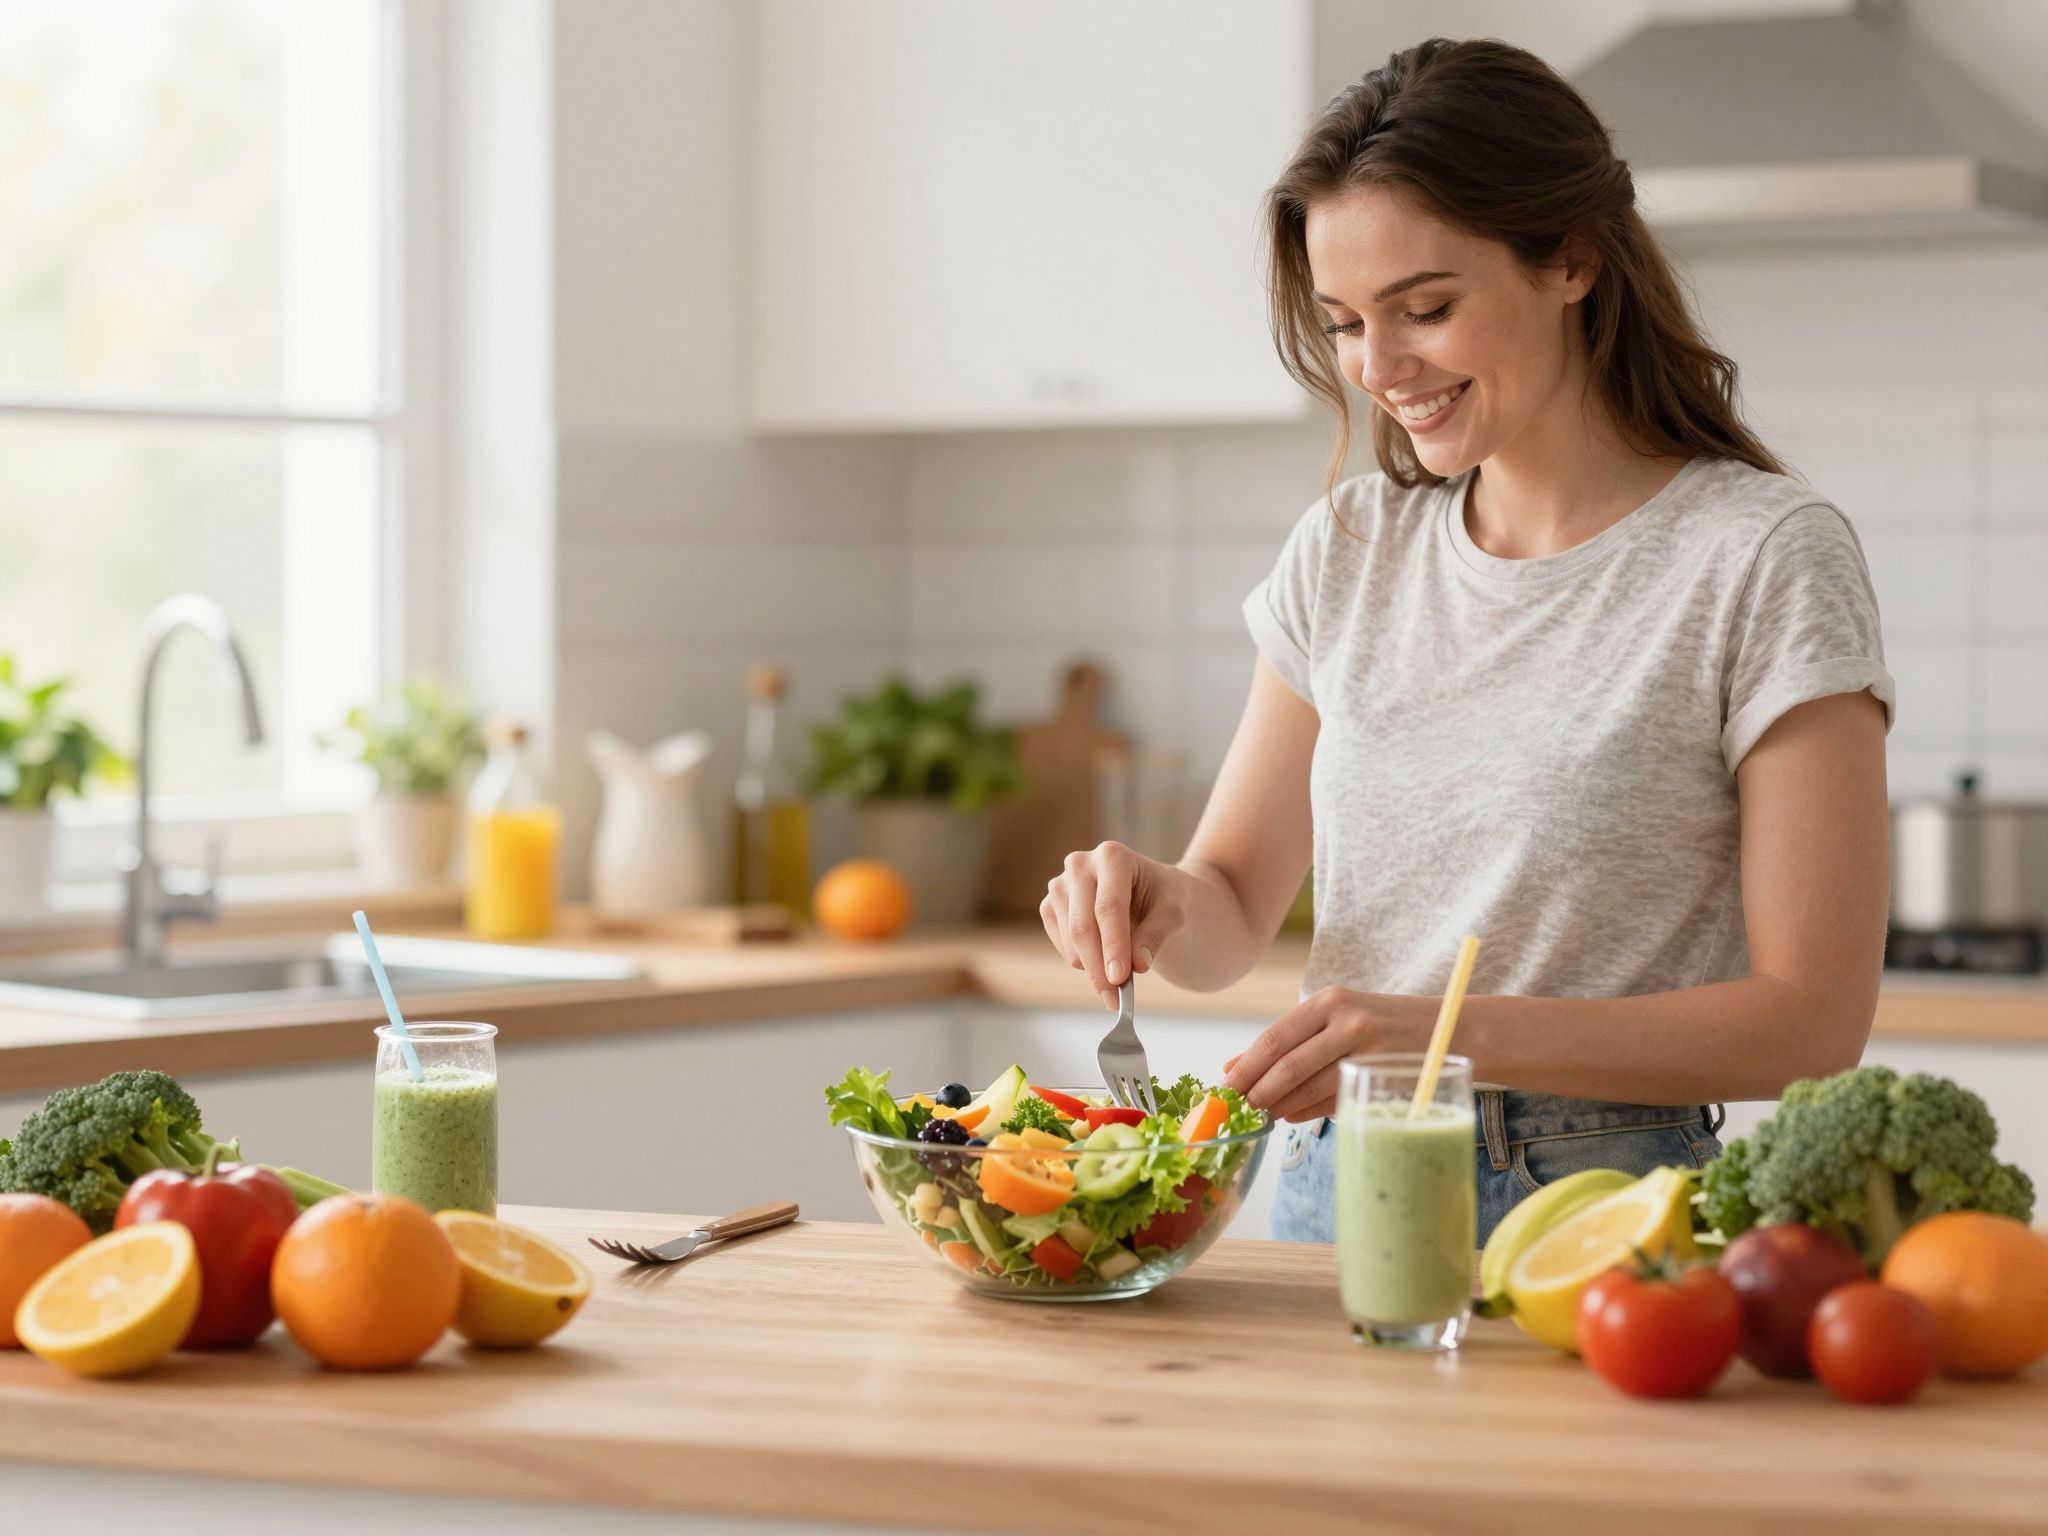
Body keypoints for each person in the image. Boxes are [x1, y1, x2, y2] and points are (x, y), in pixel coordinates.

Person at [1037, 38, 1894, 1244]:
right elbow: (1229, 904)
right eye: (1342, 323)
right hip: (1336, 1186)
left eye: (1424, 309)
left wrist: (1435, 1035)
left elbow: (1809, 1023)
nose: (1378, 370)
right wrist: (1151, 901)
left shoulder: (1759, 554)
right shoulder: (1348, 548)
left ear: (1571, 261)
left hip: (1601, 1209)